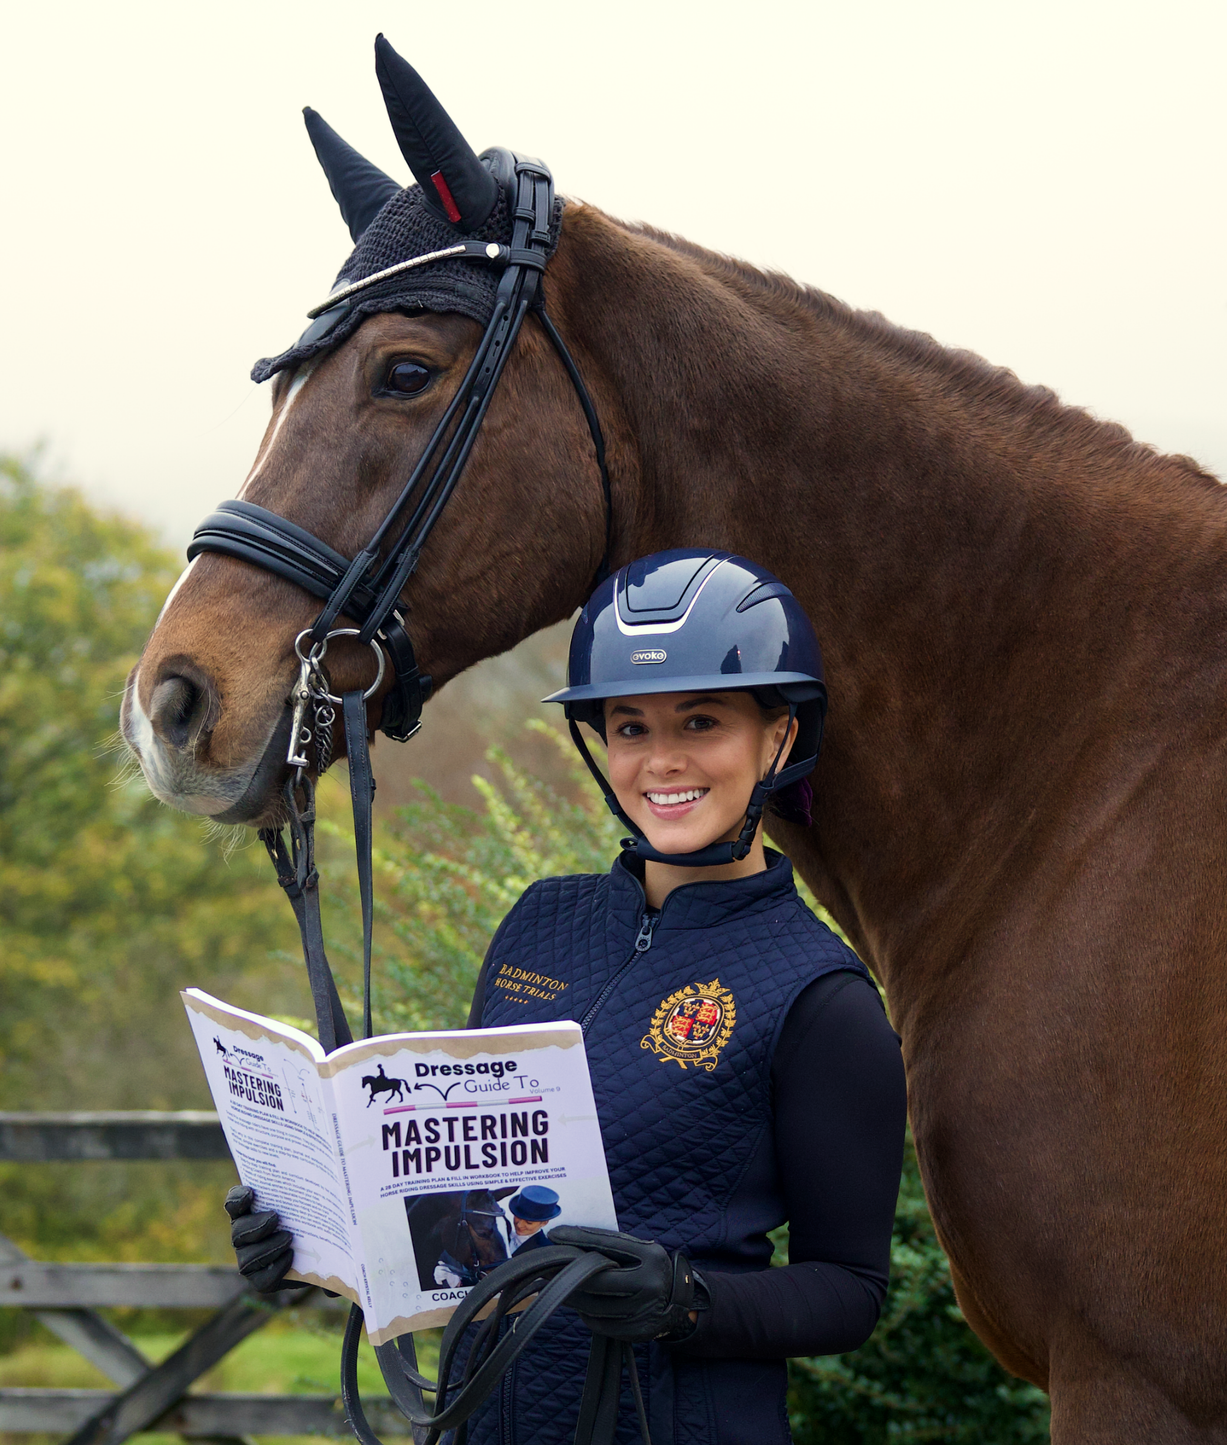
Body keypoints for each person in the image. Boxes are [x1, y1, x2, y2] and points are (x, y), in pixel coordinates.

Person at [226, 549, 907, 1445]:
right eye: (629, 728)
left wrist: (685, 1301)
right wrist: (313, 1239)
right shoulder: (539, 924)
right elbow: (457, 1209)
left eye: (699, 721)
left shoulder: (820, 994)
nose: (661, 761)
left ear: (776, 737)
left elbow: (848, 1290)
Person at [508, 1185, 561, 1257]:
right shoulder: (504, 1234)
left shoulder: (546, 1251)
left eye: (529, 1223)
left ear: (544, 1222)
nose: (519, 1225)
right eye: (518, 1217)